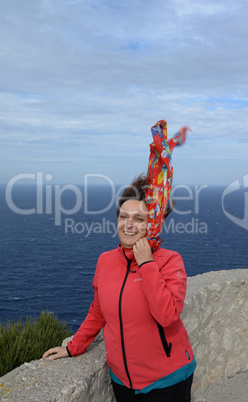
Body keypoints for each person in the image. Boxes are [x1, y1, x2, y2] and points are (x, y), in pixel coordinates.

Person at [43, 121, 196, 401]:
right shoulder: (106, 261)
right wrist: (74, 346)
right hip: (122, 382)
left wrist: (147, 265)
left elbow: (167, 316)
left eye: (139, 219)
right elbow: (98, 311)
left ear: (152, 225)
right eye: (123, 216)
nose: (128, 224)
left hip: (168, 381)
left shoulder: (170, 261)